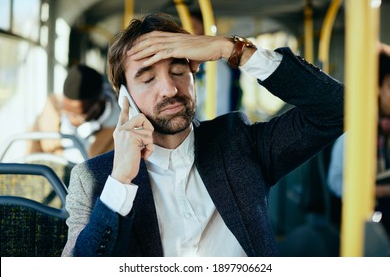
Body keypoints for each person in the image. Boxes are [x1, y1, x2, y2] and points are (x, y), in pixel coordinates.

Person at [61, 13, 344, 257]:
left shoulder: (239, 143)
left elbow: (337, 108)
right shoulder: (93, 179)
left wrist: (231, 49)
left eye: (178, 71)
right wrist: (121, 180)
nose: (170, 89)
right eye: (148, 79)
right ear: (125, 97)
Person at [327, 44, 390, 236]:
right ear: (377, 88)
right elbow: (335, 181)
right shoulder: (356, 133)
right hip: (369, 217)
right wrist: (380, 191)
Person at [27, 64, 121, 163]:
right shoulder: (50, 113)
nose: (71, 119)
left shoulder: (119, 129)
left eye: (79, 116)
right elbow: (31, 155)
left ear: (100, 102)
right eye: (67, 112)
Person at [189, 10, 243, 120]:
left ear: (206, 29)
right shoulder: (199, 63)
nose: (189, 32)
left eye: (193, 27)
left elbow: (216, 103)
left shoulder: (215, 66)